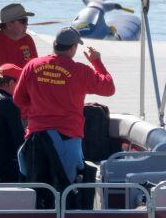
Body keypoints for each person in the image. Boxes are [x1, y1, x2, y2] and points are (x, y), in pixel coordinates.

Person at [14, 27, 115, 208]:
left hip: (36, 136)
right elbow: (108, 88)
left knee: (36, 185)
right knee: (69, 188)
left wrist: (39, 108)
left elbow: (18, 98)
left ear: (54, 45)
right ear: (73, 48)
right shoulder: (80, 71)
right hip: (67, 138)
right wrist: (97, 62)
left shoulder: (33, 66)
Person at [0, 3, 38, 93]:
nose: (27, 24)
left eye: (27, 20)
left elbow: (34, 72)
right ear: (9, 25)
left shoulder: (28, 40)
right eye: (23, 21)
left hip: (24, 96)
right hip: (1, 98)